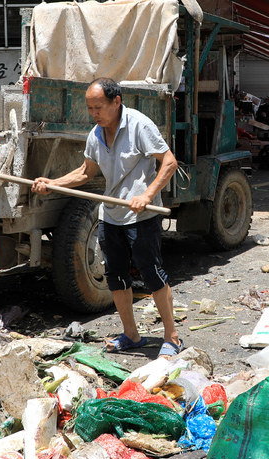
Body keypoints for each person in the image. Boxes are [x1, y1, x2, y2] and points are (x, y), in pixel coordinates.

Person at [31, 78, 182, 357]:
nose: (94, 113)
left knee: (152, 273)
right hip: (111, 215)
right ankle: (131, 334)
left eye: (98, 107)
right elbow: (85, 172)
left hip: (142, 215)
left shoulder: (139, 125)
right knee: (115, 275)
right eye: (90, 108)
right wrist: (52, 183)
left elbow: (169, 162)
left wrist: (147, 195)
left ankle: (172, 336)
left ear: (116, 101)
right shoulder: (96, 134)